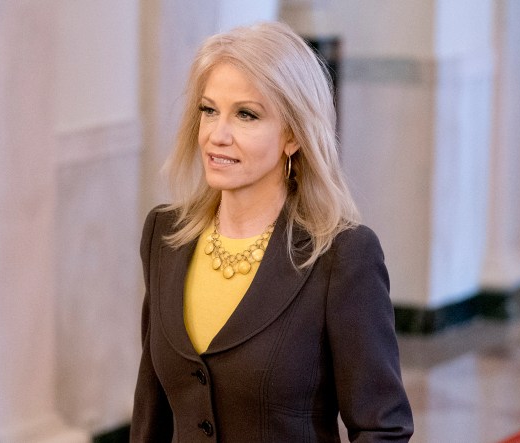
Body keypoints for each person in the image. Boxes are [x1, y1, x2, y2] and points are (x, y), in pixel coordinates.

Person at [131, 21, 413, 442]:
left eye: (246, 114)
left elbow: (383, 428)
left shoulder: (342, 255)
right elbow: (150, 414)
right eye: (209, 110)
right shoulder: (166, 236)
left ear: (294, 136)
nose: (216, 135)